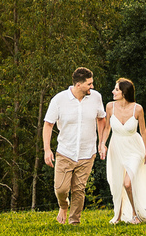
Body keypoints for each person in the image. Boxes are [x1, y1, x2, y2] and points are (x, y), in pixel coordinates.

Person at [42, 67, 106, 225]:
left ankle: (74, 222)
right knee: (61, 189)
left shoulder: (96, 97)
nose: (92, 86)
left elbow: (101, 118)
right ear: (78, 85)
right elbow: (48, 124)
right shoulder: (59, 100)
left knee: (79, 189)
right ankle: (63, 205)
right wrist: (47, 149)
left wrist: (101, 142)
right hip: (65, 152)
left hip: (87, 152)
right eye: (89, 84)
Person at [101, 77, 146, 224]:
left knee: (127, 183)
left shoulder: (138, 109)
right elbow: (107, 128)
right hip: (116, 148)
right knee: (117, 182)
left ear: (124, 92)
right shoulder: (110, 107)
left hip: (134, 149)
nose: (113, 91)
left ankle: (136, 214)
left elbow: (143, 131)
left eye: (116, 89)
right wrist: (103, 144)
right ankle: (118, 213)